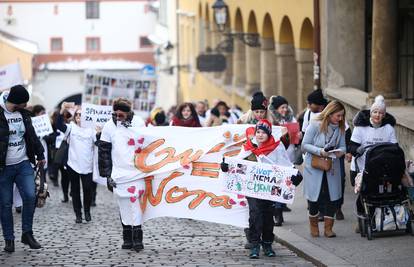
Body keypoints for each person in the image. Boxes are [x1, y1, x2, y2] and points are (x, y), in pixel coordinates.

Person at [222, 119, 302, 259]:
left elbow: (286, 164)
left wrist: (296, 175)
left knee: (267, 216)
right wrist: (226, 166)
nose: (260, 135)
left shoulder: (277, 147)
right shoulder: (248, 146)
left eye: (263, 132)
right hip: (252, 188)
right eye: (258, 132)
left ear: (269, 133)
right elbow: (237, 162)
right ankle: (254, 245)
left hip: (269, 188)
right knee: (255, 214)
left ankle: (267, 243)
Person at [0, 85, 45, 252]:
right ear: (16, 102)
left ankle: (27, 233)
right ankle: (9, 239)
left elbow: (31, 136)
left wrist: (40, 155)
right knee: (5, 204)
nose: (27, 105)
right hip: (3, 167)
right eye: (24, 102)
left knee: (30, 196)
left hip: (23, 162)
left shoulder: (24, 115)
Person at [98, 98, 146, 252]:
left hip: (136, 171)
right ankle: (127, 236)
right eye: (116, 114)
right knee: (123, 203)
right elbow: (103, 151)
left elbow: (146, 145)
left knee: (135, 203)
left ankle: (138, 237)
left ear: (128, 113)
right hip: (118, 172)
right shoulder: (109, 126)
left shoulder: (138, 122)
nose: (118, 118)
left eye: (121, 115)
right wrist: (106, 174)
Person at [349, 95, 397, 231]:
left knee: (378, 194)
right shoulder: (360, 128)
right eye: (375, 112)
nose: (378, 115)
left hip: (380, 167)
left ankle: (377, 219)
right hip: (361, 166)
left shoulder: (388, 129)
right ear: (371, 113)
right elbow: (351, 147)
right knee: (363, 194)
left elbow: (395, 148)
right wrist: (358, 149)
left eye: (381, 113)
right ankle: (361, 218)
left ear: (384, 115)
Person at [301, 100, 346, 238]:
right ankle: (314, 226)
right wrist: (320, 151)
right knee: (314, 198)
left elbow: (344, 146)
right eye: (338, 115)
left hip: (332, 167)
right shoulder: (315, 124)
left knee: (332, 198)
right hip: (314, 167)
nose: (340, 118)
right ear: (330, 113)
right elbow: (305, 145)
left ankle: (328, 228)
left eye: (342, 116)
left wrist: (340, 152)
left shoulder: (340, 127)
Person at [56, 104, 96, 223]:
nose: (78, 116)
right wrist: (62, 111)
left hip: (87, 165)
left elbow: (98, 143)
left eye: (81, 114)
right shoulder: (71, 127)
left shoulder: (92, 129)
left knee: (87, 189)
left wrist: (99, 133)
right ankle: (78, 214)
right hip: (73, 164)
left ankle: (87, 211)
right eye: (77, 114)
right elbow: (58, 125)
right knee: (75, 190)